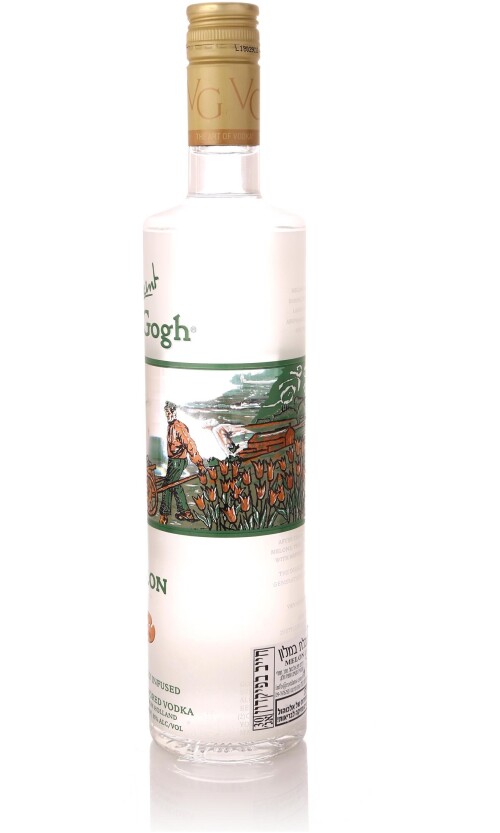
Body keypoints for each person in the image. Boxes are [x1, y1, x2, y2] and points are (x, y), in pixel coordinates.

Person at [159, 401, 204, 524]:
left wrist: (199, 463)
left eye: (169, 412)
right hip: (172, 461)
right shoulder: (170, 426)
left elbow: (190, 445)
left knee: (167, 486)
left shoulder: (179, 427)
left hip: (178, 462)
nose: (167, 415)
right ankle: (185, 512)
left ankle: (164, 515)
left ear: (174, 412)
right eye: (166, 413)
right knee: (175, 484)